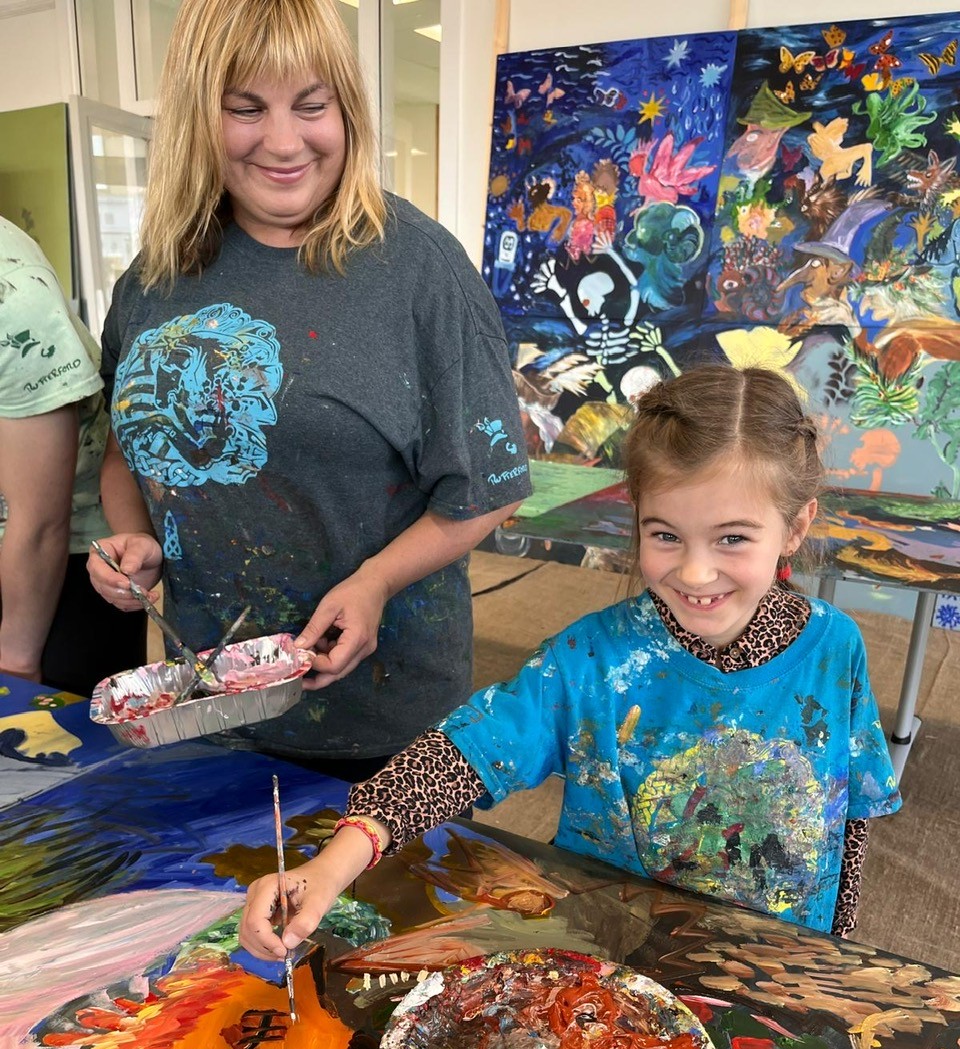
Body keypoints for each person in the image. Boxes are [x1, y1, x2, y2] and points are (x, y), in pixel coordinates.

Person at [241, 363, 902, 959]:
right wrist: (330, 867)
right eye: (665, 535)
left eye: (732, 538)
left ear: (796, 526)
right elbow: (459, 756)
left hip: (775, 968)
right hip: (614, 964)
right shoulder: (592, 659)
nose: (697, 571)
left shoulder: (835, 647)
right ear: (636, 519)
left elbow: (855, 815)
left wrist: (839, 959)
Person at [87, 0, 529, 780]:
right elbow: (129, 453)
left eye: (312, 105)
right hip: (204, 706)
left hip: (381, 719)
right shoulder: (155, 275)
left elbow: (489, 488)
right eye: (245, 109)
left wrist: (374, 582)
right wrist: (137, 543)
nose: (285, 142)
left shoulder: (419, 268)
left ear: (347, 112)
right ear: (198, 118)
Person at [0, 215, 146, 694]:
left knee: (49, 740)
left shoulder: (15, 303)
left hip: (66, 561)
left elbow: (40, 523)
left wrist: (17, 670)